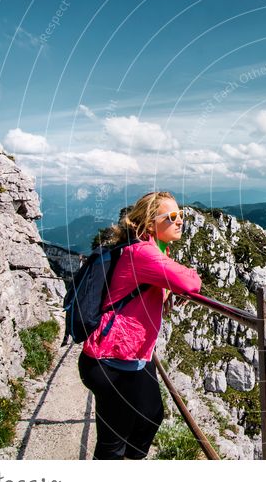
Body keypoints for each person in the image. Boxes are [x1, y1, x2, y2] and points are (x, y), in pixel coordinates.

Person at [77, 191, 202, 460]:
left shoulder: (154, 249)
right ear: (149, 224)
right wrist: (186, 278)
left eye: (181, 215)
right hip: (110, 361)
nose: (180, 221)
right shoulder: (144, 253)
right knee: (114, 441)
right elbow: (190, 282)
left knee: (150, 415)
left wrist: (166, 290)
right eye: (171, 217)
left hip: (132, 358)